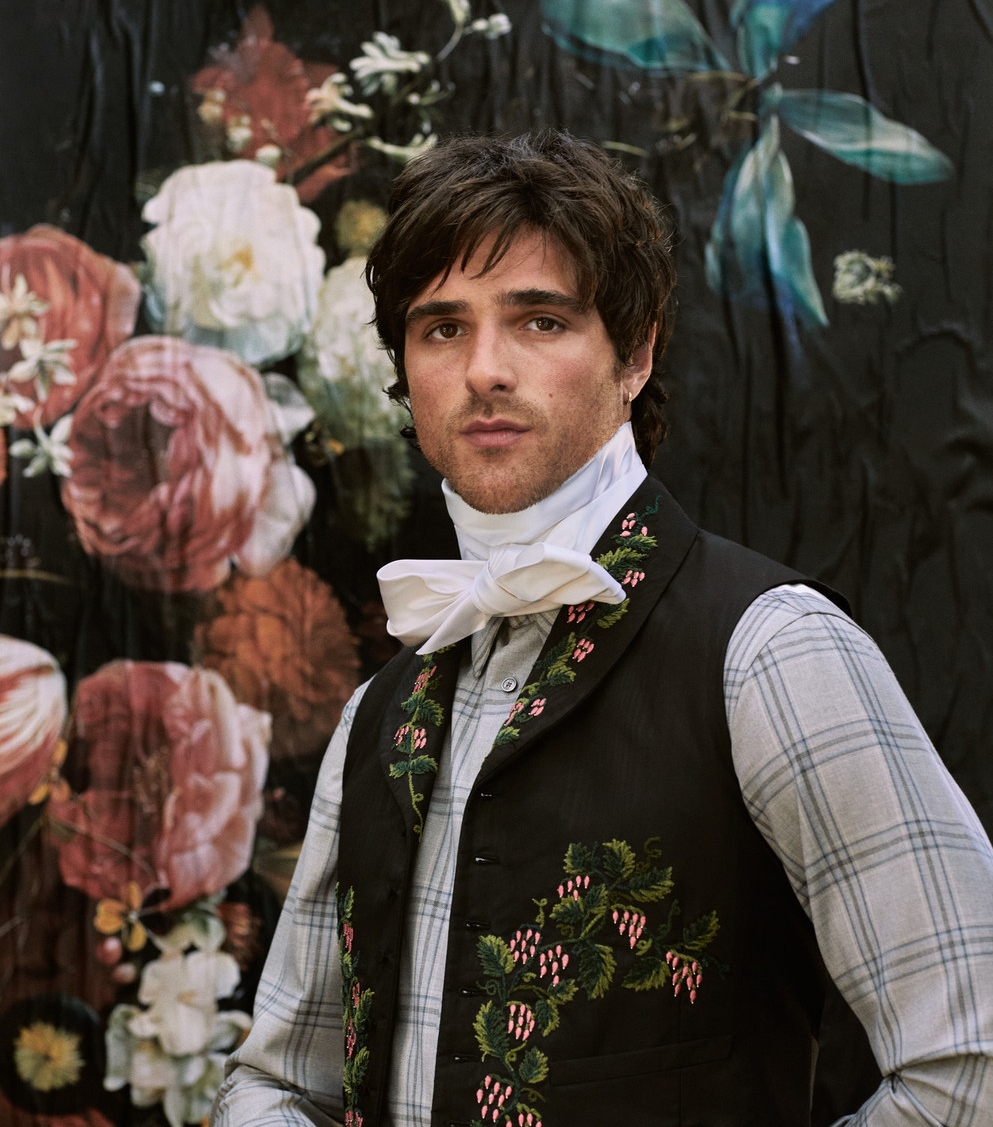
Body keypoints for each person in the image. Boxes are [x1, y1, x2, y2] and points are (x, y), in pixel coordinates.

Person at [213, 131, 993, 1126]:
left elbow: (972, 1063)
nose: (484, 370)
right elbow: (279, 1081)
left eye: (539, 320)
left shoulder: (771, 652)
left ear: (635, 353)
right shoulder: (378, 715)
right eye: (442, 328)